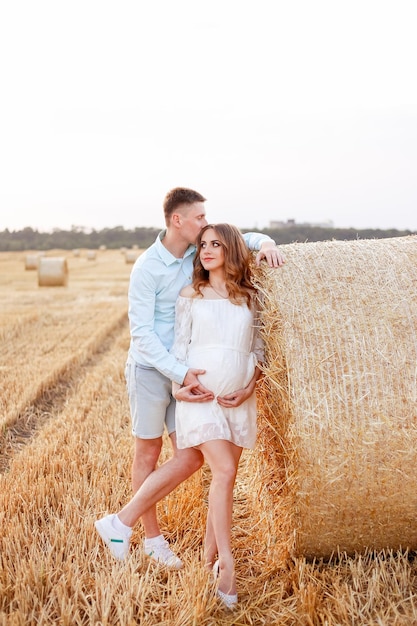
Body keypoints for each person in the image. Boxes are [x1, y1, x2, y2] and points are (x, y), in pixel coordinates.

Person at [95, 188, 285, 569]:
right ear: (176, 220)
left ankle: (119, 522)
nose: (204, 223)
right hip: (153, 368)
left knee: (189, 458)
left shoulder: (200, 250)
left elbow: (239, 239)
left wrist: (265, 242)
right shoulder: (147, 268)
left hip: (189, 366)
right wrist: (179, 374)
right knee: (147, 453)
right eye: (199, 217)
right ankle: (150, 539)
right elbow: (142, 335)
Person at [170, 223, 263, 608]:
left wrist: (250, 386)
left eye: (216, 244)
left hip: (237, 399)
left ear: (231, 250)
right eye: (203, 244)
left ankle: (207, 558)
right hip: (199, 399)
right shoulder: (191, 294)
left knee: (225, 480)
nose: (207, 250)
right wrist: (178, 388)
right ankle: (227, 565)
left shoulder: (250, 297)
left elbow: (258, 349)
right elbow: (178, 350)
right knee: (223, 472)